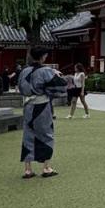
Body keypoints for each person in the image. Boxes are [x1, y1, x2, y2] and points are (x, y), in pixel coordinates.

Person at [17, 46, 68, 179]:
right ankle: (46, 167)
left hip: (28, 105)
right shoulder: (46, 71)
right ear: (43, 56)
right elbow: (61, 86)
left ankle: (28, 169)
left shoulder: (24, 71)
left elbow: (20, 87)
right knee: (46, 134)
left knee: (28, 134)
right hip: (42, 105)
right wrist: (55, 77)